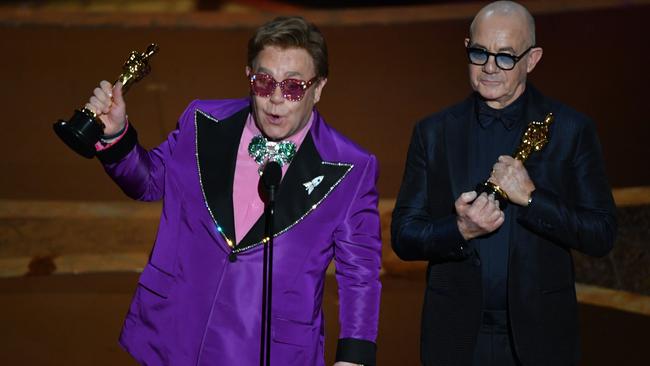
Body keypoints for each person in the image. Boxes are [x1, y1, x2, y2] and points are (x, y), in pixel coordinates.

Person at [84, 16, 381, 366]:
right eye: (264, 81)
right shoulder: (202, 121)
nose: (274, 99)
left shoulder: (351, 167)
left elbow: (359, 273)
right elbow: (149, 182)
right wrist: (115, 136)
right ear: (248, 76)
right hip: (174, 335)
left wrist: (355, 357)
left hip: (271, 351)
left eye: (293, 87)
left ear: (318, 89)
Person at [390, 1, 616, 365]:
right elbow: (403, 235)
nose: (490, 67)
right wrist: (459, 229)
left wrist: (533, 199)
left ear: (533, 58)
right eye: (480, 53)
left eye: (506, 56)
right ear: (467, 47)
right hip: (455, 340)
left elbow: (601, 233)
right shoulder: (433, 133)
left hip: (542, 341)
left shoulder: (571, 131)